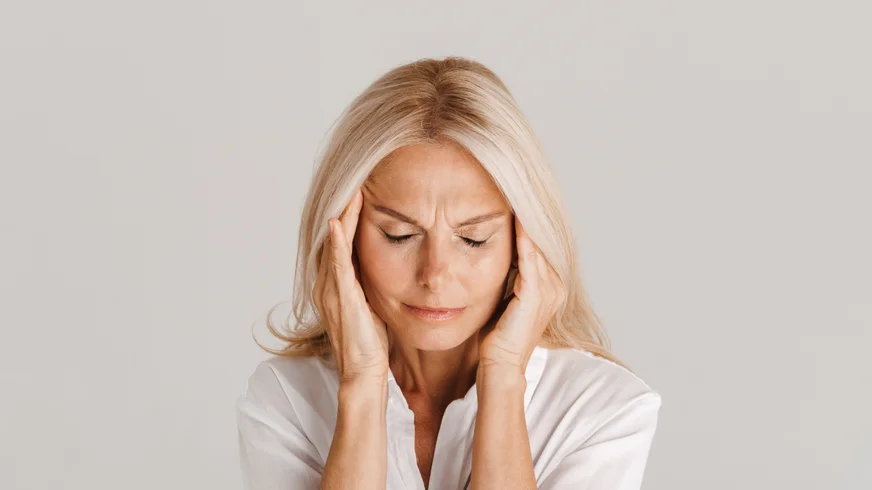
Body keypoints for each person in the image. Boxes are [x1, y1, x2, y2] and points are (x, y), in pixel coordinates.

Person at [236, 56, 662, 490]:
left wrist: (503, 376)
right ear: (344, 241)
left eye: (473, 239)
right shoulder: (286, 401)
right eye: (399, 235)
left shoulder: (603, 411)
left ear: (524, 242)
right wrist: (362, 383)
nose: (435, 276)